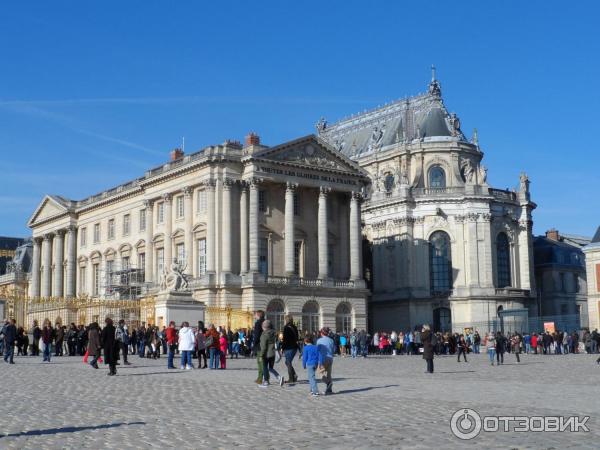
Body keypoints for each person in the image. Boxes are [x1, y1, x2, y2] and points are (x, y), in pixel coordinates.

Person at [258, 320, 283, 387]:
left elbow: (263, 347)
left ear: (263, 327)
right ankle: (279, 378)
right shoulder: (274, 333)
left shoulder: (264, 335)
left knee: (265, 367)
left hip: (266, 354)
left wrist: (261, 355)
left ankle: (266, 381)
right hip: (273, 353)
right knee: (270, 368)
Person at [281, 315, 299, 384]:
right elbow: (297, 338)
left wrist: (282, 348)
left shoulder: (286, 328)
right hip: (294, 347)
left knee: (288, 362)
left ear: (286, 320)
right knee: (288, 362)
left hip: (289, 348)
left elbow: (285, 339)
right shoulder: (295, 327)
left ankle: (291, 378)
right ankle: (294, 375)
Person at [316, 327, 335, 393]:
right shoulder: (331, 340)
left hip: (323, 359)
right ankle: (329, 389)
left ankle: (328, 383)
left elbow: (317, 351)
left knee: (320, 373)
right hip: (330, 358)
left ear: (321, 333)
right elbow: (333, 350)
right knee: (329, 374)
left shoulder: (319, 341)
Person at [252, 310, 265, 383]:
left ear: (259, 315)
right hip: (266, 345)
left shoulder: (258, 323)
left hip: (259, 346)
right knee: (264, 363)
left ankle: (260, 379)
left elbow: (256, 336)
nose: (254, 316)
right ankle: (265, 378)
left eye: (255, 315)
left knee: (260, 363)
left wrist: (253, 345)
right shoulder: (266, 322)